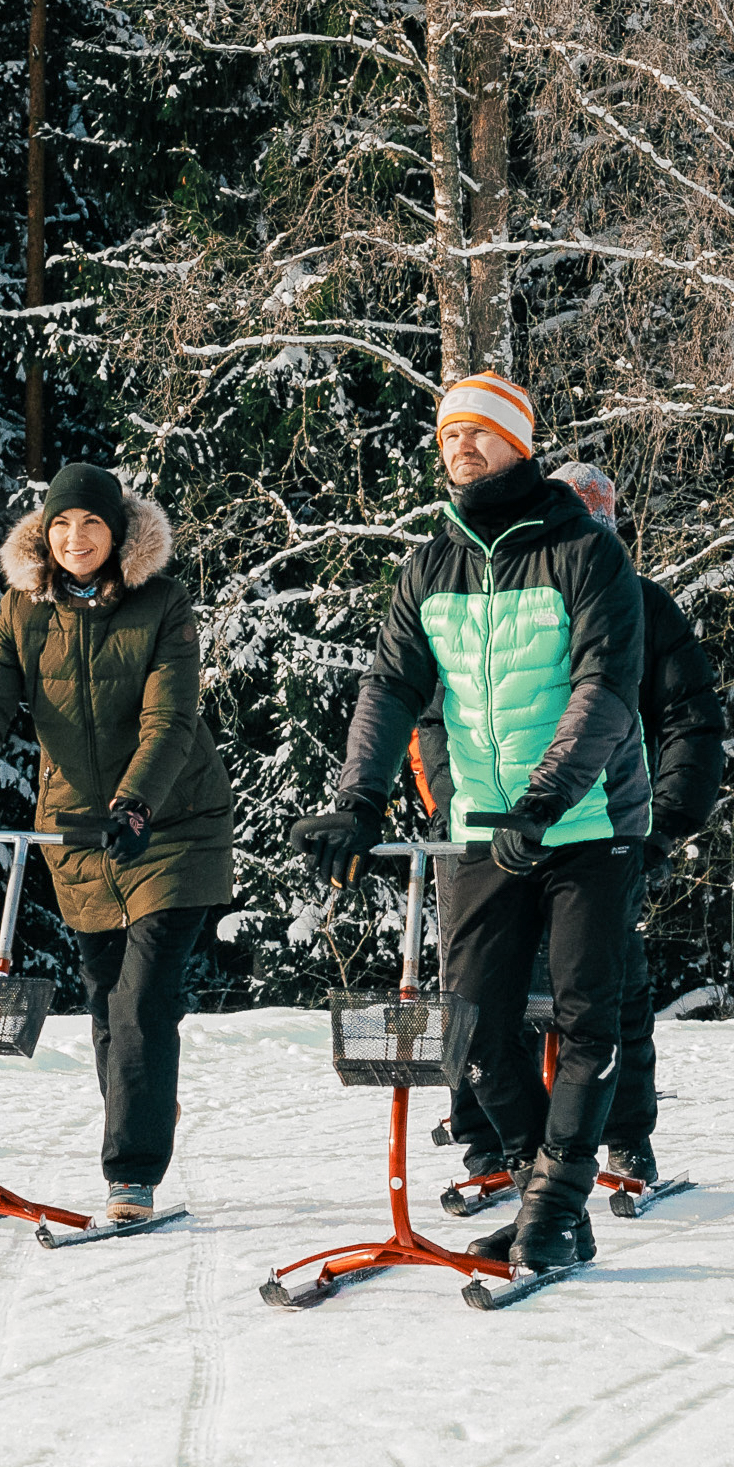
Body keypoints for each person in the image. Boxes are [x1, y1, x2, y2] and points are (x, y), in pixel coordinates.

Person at [301, 374, 655, 1275]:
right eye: (448, 433)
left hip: (586, 823)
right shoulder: (430, 563)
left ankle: (554, 1206)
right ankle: (548, 1191)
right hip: (482, 826)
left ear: (519, 442)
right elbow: (389, 688)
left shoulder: (585, 551)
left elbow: (605, 690)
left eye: (479, 431)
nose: (460, 446)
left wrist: (546, 799)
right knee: (477, 1029)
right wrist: (357, 798)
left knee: (585, 1021)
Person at [0, 462, 234, 1221]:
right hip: (78, 830)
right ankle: (140, 1108)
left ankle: (132, 1173)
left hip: (172, 821)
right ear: (44, 537)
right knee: (105, 998)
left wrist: (136, 804)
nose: (76, 538)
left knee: (144, 999)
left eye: (90, 524)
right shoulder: (24, 611)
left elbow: (169, 721)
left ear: (116, 534)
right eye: (61, 525)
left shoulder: (163, 604)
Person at [552, 461, 723, 1194]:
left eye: (599, 520)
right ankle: (518, 1139)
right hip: (522, 820)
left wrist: (672, 817)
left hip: (622, 822)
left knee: (613, 986)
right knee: (515, 987)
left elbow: (692, 717)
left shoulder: (646, 606)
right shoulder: (520, 601)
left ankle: (626, 1139)